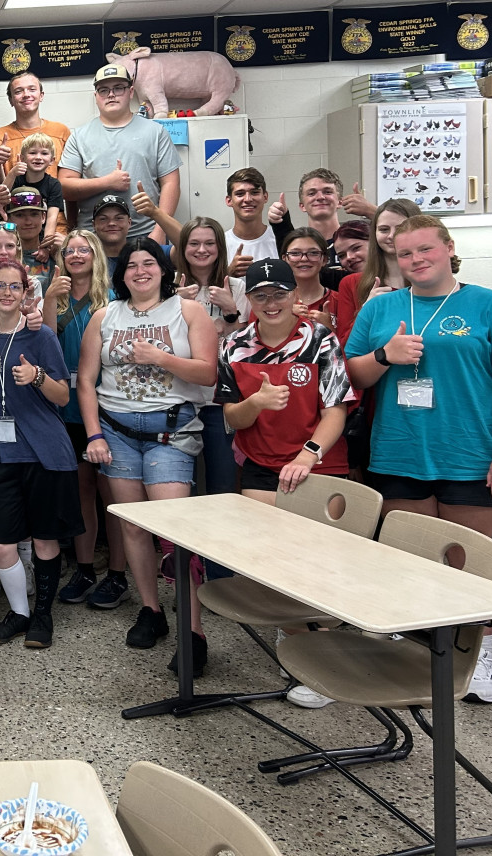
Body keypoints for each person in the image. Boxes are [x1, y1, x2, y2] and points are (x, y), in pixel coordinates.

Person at [346, 215, 492, 705]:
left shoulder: (491, 306)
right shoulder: (382, 308)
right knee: (412, 558)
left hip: (470, 454)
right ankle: (422, 648)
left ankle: (480, 652)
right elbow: (355, 376)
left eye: (425, 249)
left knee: (469, 561)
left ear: (449, 248)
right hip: (399, 453)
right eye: (405, 253)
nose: (416, 260)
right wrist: (385, 355)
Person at [217, 256, 354, 712]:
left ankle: (326, 658)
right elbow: (232, 417)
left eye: (279, 293)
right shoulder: (234, 345)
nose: (271, 303)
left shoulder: (320, 340)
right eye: (261, 295)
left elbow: (336, 409)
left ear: (294, 294)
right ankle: (297, 641)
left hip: (319, 462)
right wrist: (256, 402)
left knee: (319, 562)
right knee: (271, 560)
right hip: (261, 464)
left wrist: (308, 454)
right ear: (250, 300)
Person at [77, 239, 218, 674]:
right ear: (121, 275)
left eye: (149, 263)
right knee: (133, 527)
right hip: (116, 432)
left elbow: (208, 372)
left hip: (170, 431)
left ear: (163, 269)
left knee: (173, 533)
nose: (140, 271)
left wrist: (161, 357)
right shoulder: (105, 316)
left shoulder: (187, 311)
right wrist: (94, 434)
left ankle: (193, 631)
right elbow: (85, 381)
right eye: (131, 265)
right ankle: (151, 610)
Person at [0, 259, 78, 649]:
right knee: (2, 543)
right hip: (0, 452)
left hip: (44, 451)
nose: (7, 292)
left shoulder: (41, 335)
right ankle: (20, 613)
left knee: (44, 541)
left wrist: (37, 377)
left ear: (25, 292)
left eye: (14, 286)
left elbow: (63, 396)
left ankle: (43, 615)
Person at [42, 230, 126, 607]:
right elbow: (44, 342)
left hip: (104, 408)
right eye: (69, 251)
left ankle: (119, 574)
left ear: (96, 255)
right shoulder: (55, 296)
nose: (76, 255)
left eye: (83, 250)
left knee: (113, 496)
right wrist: (49, 298)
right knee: (81, 493)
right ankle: (86, 567)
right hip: (66, 410)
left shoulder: (112, 298)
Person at [59, 64, 181, 243]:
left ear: (130, 92)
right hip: (92, 240)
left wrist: (160, 230)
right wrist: (107, 182)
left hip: (145, 235)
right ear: (96, 96)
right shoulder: (79, 136)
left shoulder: (156, 132)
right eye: (103, 90)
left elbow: (171, 183)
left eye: (118, 88)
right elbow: (65, 187)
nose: (111, 95)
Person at [171, 217, 246, 498]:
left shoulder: (237, 287)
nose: (201, 250)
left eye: (209, 243)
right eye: (194, 243)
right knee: (181, 487)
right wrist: (173, 305)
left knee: (223, 486)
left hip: (220, 401)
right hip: (180, 399)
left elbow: (245, 346)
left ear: (219, 247)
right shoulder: (168, 287)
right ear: (183, 248)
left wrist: (231, 312)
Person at [0, 72, 70, 232]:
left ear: (41, 95)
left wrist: (72, 223)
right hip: (15, 227)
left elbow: (68, 182)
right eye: (18, 91)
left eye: (32, 89)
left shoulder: (61, 132)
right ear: (11, 100)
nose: (26, 94)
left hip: (55, 228)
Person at [334, 199, 420, 346]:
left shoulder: (429, 280)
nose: (391, 235)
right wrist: (366, 310)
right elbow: (344, 346)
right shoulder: (351, 283)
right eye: (384, 229)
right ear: (374, 234)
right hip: (376, 360)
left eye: (401, 228)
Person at [0, 134, 64, 240]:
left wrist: (46, 244)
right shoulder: (15, 179)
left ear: (52, 160)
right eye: (33, 153)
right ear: (22, 158)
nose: (38, 157)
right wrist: (12, 174)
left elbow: (51, 218)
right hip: (11, 236)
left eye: (44, 153)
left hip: (39, 238)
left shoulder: (54, 185)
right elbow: (0, 198)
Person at [224, 168, 292, 264]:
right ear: (229, 200)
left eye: (254, 192)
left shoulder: (280, 238)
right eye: (240, 194)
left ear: (265, 197)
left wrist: (284, 222)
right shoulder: (220, 244)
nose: (248, 199)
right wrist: (229, 271)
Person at [279, 227, 337, 331]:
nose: (304, 259)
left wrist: (329, 328)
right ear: (284, 259)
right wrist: (282, 318)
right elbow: (253, 339)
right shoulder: (269, 302)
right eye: (295, 253)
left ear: (324, 259)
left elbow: (355, 340)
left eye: (313, 253)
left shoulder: (340, 301)